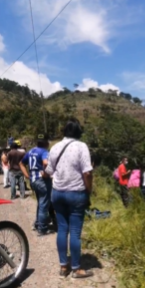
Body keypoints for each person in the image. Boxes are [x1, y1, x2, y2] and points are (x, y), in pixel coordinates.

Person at [45, 118, 93, 279]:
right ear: (78, 132)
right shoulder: (82, 147)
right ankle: (76, 268)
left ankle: (63, 266)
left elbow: (49, 171)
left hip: (58, 193)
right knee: (74, 231)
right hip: (76, 194)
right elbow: (87, 172)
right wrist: (89, 190)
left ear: (64, 132)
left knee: (62, 229)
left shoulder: (55, 147)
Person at [20, 134, 53, 236]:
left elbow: (21, 163)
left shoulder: (31, 151)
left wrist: (27, 175)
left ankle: (38, 223)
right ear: (45, 142)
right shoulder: (44, 151)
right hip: (42, 180)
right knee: (44, 204)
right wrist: (46, 174)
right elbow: (46, 163)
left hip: (33, 181)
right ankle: (42, 228)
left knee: (40, 202)